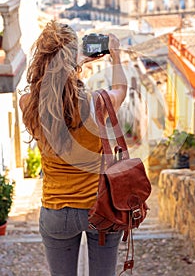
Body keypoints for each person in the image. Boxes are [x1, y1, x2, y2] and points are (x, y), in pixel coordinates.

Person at [19, 20, 127, 276]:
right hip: (100, 208)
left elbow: (54, 93)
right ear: (71, 59)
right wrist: (115, 56)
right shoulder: (97, 102)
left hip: (56, 211)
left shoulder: (28, 104)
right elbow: (121, 90)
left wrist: (68, 64)